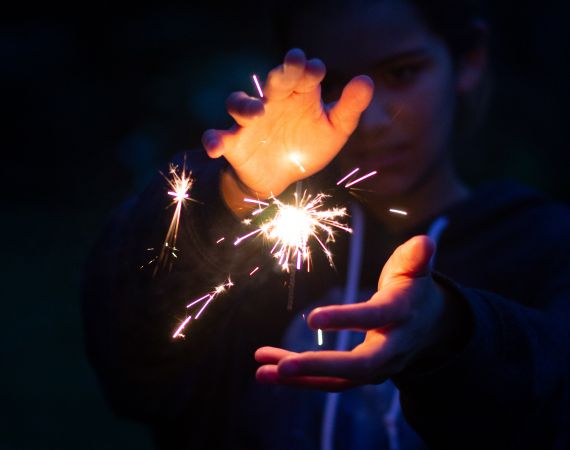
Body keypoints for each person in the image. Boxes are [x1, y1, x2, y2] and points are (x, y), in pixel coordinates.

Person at [83, 0, 570, 449]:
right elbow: (134, 368)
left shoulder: (542, 246)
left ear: (468, 61)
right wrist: (231, 197)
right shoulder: (256, 245)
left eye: (402, 72)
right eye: (333, 85)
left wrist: (455, 331)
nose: (372, 119)